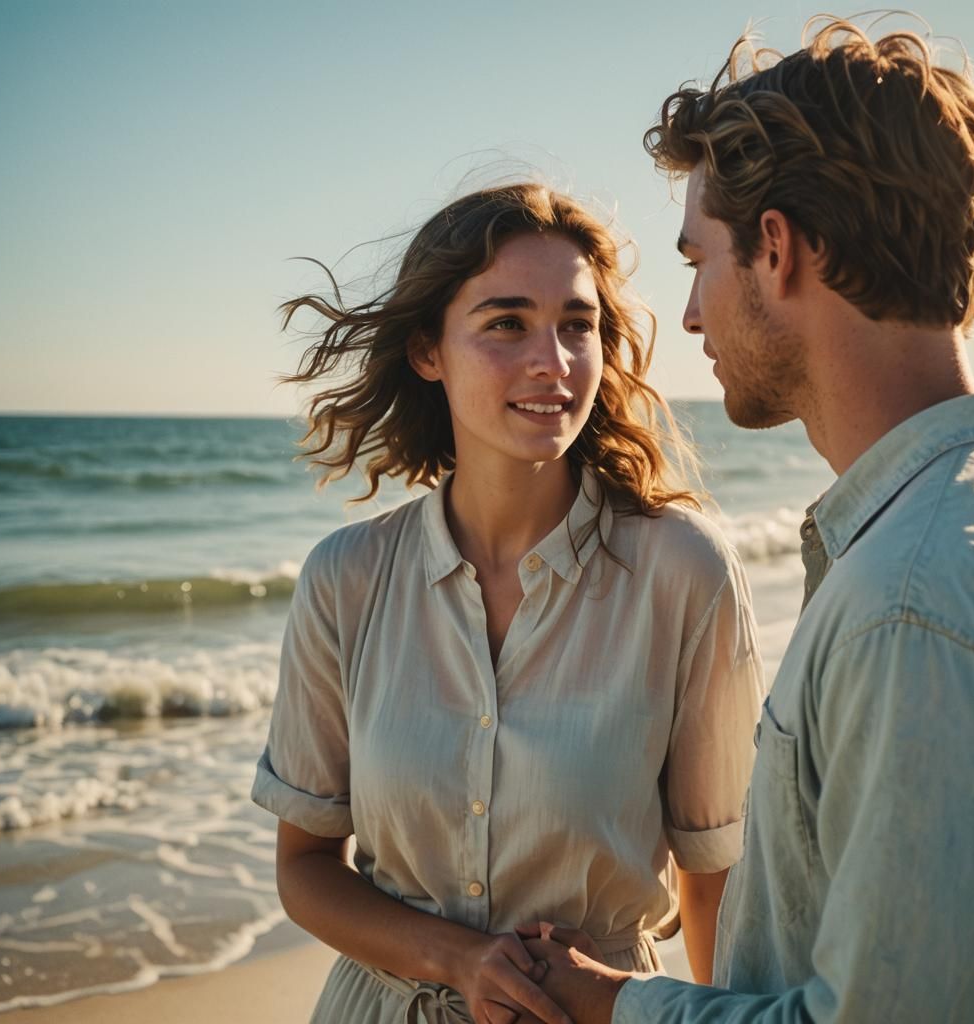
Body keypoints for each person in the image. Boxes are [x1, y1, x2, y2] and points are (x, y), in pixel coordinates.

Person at [515, 15, 974, 1024]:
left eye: (699, 260)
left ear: (774, 249)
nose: (687, 314)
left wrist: (613, 1006)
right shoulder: (938, 529)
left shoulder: (904, 602)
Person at [250, 183, 765, 1023]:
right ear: (427, 350)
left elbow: (716, 885)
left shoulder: (683, 572)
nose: (553, 361)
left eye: (577, 324)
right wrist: (461, 961)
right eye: (506, 323)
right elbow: (304, 866)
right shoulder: (346, 579)